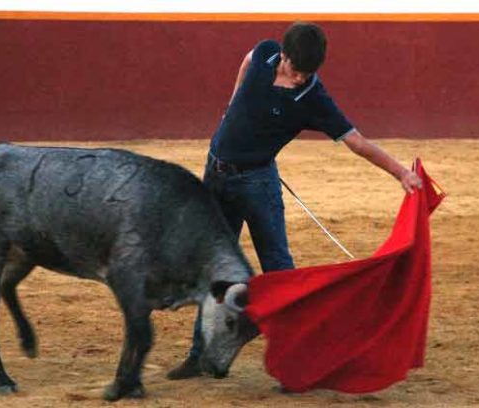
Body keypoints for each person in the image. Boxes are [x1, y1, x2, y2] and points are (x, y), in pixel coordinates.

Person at [167, 22, 423, 380]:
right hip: (216, 174)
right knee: (212, 267)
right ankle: (199, 356)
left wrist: (400, 173)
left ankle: (298, 361)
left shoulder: (313, 98)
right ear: (283, 56)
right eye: (296, 70)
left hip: (257, 184)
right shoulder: (265, 52)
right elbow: (247, 58)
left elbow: (357, 142)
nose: (302, 78)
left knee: (280, 271)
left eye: (309, 73)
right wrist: (232, 103)